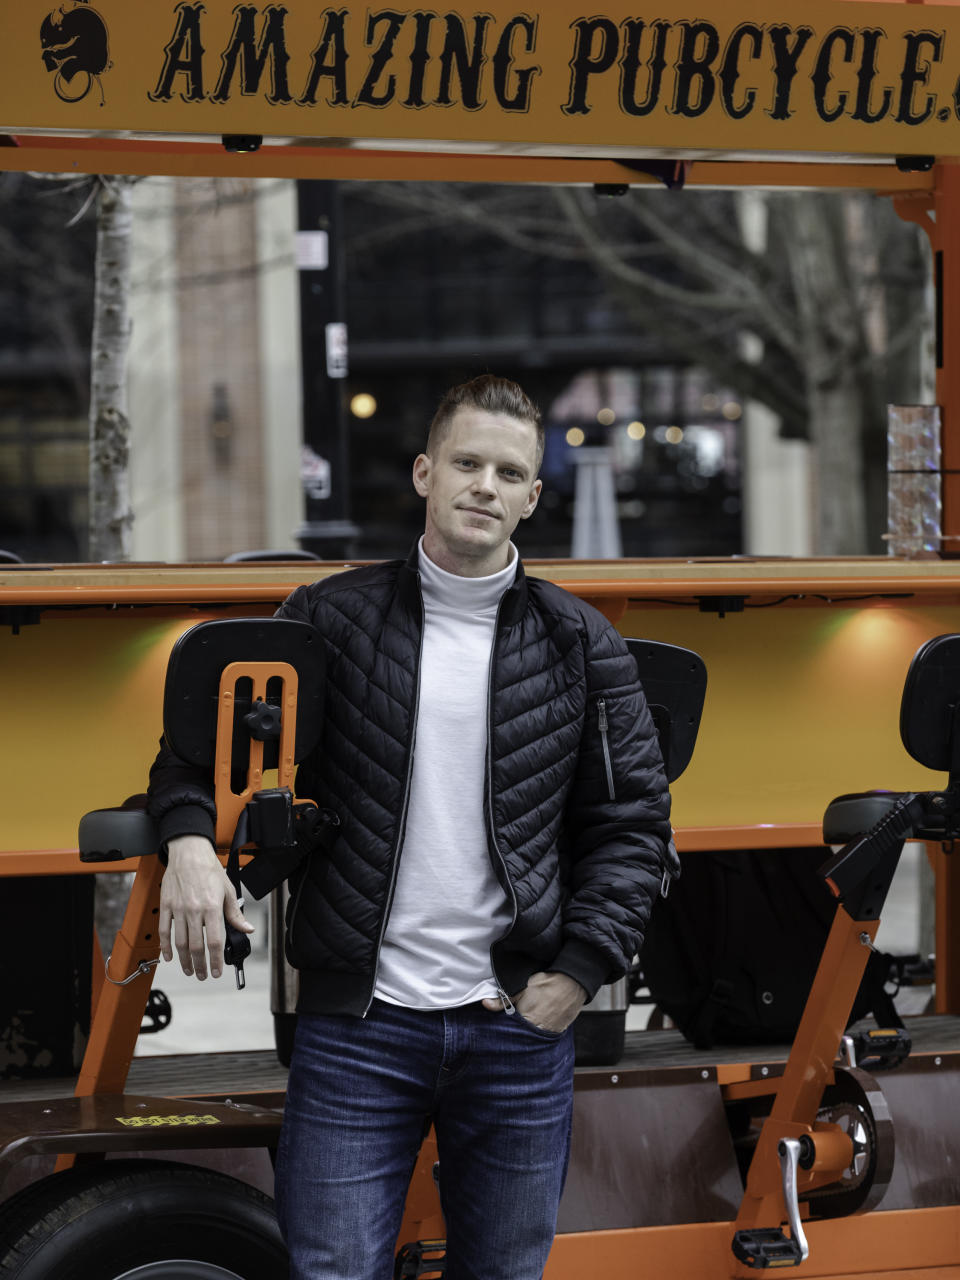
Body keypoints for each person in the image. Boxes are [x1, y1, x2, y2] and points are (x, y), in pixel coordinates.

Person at [147, 374, 674, 1280]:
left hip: (517, 1027)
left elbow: (634, 827)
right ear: (426, 472)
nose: (485, 486)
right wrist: (189, 847)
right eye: (466, 463)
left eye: (509, 473)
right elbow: (189, 760)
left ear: (532, 497)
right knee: (332, 1270)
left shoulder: (580, 642)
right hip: (361, 1028)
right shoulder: (329, 619)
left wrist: (580, 974)